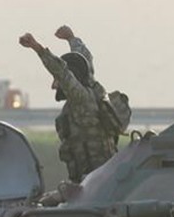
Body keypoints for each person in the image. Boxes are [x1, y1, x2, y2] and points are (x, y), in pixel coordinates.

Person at [19, 25, 117, 184]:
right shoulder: (91, 91)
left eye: (56, 81)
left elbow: (62, 73)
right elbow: (85, 59)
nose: (53, 86)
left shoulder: (81, 101)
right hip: (99, 177)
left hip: (95, 180)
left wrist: (37, 47)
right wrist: (71, 39)